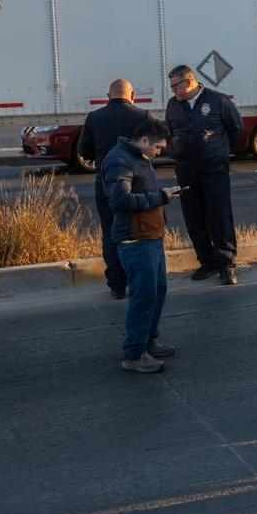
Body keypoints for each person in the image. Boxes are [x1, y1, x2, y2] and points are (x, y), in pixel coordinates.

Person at [101, 119, 180, 374]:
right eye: (157, 147)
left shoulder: (138, 158)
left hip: (150, 235)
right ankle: (134, 353)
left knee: (157, 290)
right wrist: (161, 197)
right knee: (143, 296)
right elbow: (120, 199)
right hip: (135, 239)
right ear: (144, 141)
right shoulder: (119, 161)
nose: (159, 152)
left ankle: (148, 341)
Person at [165, 65, 243, 285]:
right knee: (194, 217)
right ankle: (206, 261)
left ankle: (226, 264)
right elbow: (172, 132)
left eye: (175, 86)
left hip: (214, 169)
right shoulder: (173, 105)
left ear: (189, 81)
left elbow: (236, 129)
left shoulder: (218, 101)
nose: (173, 91)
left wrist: (219, 152)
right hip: (186, 170)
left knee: (220, 216)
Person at [79, 78, 151, 300]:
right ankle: (138, 280)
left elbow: (84, 151)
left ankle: (117, 285)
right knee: (138, 232)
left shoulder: (95, 117)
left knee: (111, 232)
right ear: (133, 95)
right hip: (138, 185)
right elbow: (156, 149)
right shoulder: (144, 117)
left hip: (106, 183)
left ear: (107, 96)